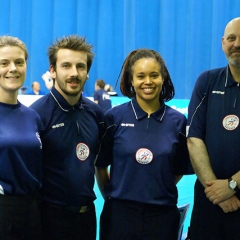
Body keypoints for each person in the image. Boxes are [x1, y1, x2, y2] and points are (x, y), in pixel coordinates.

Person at [95, 49, 193, 240]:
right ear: (131, 80)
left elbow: (179, 169)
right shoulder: (113, 118)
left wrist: (156, 188)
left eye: (154, 75)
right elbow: (100, 165)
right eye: (140, 76)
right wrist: (113, 195)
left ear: (163, 78)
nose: (148, 81)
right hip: (119, 217)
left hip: (162, 217)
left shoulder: (178, 122)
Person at [30, 35, 104, 240]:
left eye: (81, 67)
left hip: (87, 217)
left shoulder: (96, 114)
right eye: (66, 66)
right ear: (52, 70)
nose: (74, 73)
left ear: (87, 72)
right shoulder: (36, 115)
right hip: (50, 220)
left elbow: (101, 162)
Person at [187, 17, 240, 239]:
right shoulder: (207, 81)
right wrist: (216, 191)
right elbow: (194, 139)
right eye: (231, 38)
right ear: (222, 43)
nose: (236, 44)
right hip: (210, 200)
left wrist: (232, 185)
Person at [0, 36, 42, 239]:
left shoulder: (32, 116)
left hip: (31, 212)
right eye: (4, 63)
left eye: (19, 62)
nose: (13, 68)